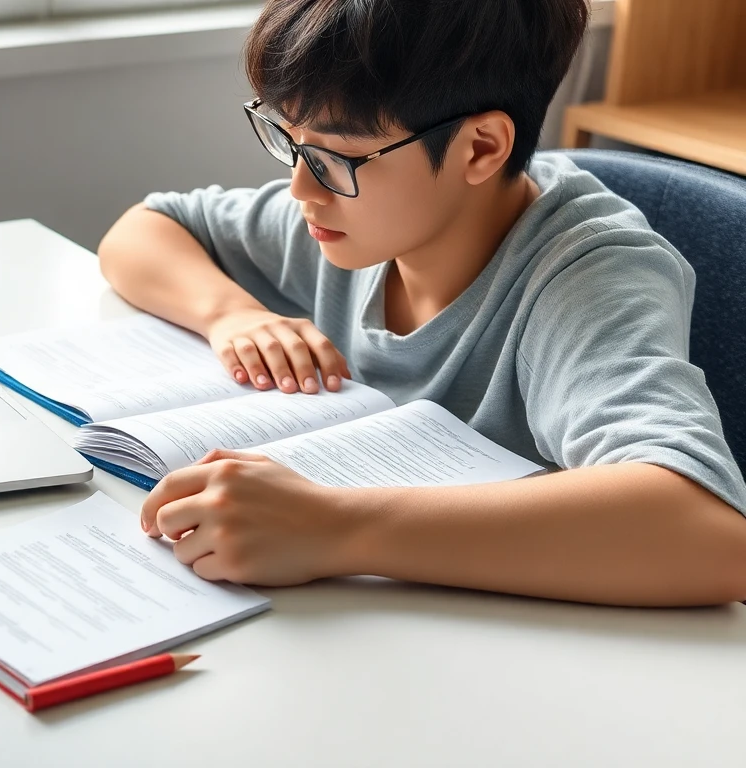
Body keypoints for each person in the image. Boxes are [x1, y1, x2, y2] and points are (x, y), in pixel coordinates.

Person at [97, 0, 746, 606]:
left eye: (334, 156)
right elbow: (144, 229)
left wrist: (335, 528)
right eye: (290, 141)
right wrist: (230, 313)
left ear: (481, 147)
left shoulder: (589, 277)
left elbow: (711, 535)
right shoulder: (347, 219)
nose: (300, 188)